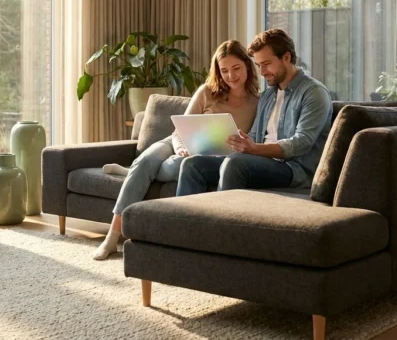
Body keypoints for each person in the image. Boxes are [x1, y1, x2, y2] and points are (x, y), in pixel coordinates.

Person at [93, 40, 261, 260]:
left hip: (206, 158)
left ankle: (132, 171)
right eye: (224, 70)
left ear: (247, 65)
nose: (231, 75)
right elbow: (180, 129)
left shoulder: (258, 102)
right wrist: (182, 148)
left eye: (236, 68)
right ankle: (112, 237)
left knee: (174, 167)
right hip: (175, 143)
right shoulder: (207, 92)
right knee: (146, 162)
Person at [176, 28, 332, 196]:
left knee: (235, 163)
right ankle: (184, 222)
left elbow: (302, 142)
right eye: (258, 65)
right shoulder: (267, 96)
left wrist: (254, 149)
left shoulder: (313, 92)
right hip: (260, 162)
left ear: (286, 57)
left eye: (266, 64)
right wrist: (236, 144)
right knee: (193, 165)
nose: (262, 72)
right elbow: (255, 135)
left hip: (293, 170)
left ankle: (222, 222)